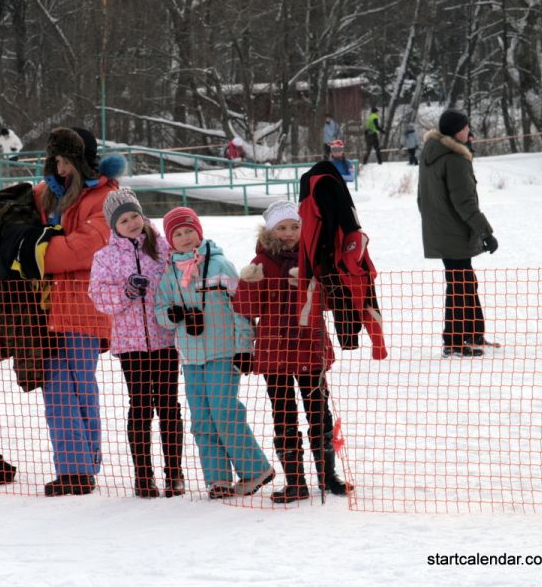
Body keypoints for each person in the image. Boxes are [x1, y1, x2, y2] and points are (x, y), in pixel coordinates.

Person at [233, 201, 351, 502]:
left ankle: (327, 475)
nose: (288, 233)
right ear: (271, 231)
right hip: (274, 350)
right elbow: (248, 309)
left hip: (309, 346)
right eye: (281, 228)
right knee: (283, 413)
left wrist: (313, 284)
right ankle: (295, 481)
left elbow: (330, 301)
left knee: (318, 412)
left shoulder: (314, 257)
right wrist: (248, 284)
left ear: (303, 228)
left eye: (294, 227)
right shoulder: (260, 261)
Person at [154, 206, 275, 499]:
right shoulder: (169, 275)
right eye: (178, 234)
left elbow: (242, 308)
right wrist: (174, 314)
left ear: (199, 232)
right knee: (202, 420)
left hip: (223, 352)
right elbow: (159, 311)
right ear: (170, 240)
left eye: (189, 231)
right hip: (192, 357)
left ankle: (254, 468)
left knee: (225, 412)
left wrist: (245, 348)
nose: (185, 238)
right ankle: (218, 479)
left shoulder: (220, 265)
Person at [32, 127, 123, 497]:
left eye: (67, 160)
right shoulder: (50, 194)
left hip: (86, 305)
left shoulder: (105, 197)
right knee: (65, 385)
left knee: (71, 386)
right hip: (53, 305)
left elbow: (86, 248)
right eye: (56, 160)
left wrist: (35, 254)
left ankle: (78, 468)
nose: (60, 167)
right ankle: (80, 466)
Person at [89, 187, 185, 498]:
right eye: (124, 220)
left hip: (164, 339)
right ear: (112, 225)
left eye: (135, 216)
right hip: (130, 345)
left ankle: (175, 474)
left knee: (168, 406)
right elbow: (99, 297)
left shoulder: (162, 247)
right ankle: (143, 475)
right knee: (141, 406)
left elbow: (180, 282)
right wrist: (127, 292)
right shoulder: (104, 258)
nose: (131, 223)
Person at [417, 109, 498, 357]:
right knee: (460, 285)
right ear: (455, 131)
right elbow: (465, 202)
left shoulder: (431, 154)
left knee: (463, 281)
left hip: (440, 230)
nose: (469, 131)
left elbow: (422, 199)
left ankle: (473, 334)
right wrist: (485, 232)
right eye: (465, 127)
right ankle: (454, 341)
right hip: (455, 232)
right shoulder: (454, 158)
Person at [297, 161, 387, 360]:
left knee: (323, 298)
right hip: (352, 252)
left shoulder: (316, 183)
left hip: (328, 257)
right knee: (365, 299)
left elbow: (323, 221)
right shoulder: (332, 183)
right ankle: (376, 346)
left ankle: (343, 340)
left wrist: (324, 250)